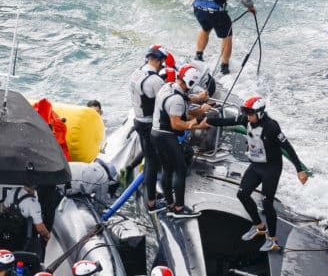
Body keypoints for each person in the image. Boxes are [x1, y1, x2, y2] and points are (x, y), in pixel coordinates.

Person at [208, 96, 309, 252]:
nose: (248, 116)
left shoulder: (271, 127)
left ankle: (273, 239)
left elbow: (288, 148)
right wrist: (204, 120)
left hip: (271, 168)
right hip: (256, 166)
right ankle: (259, 226)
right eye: (246, 113)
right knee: (242, 194)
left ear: (260, 113)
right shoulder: (246, 120)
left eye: (251, 113)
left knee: (267, 203)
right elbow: (225, 121)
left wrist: (299, 170)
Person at [151, 64, 211, 218]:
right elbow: (176, 124)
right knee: (180, 170)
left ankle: (170, 204)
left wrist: (199, 99)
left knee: (167, 169)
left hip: (156, 133)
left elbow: (184, 103)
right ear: (189, 81)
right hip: (167, 136)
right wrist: (198, 124)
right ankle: (179, 208)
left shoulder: (170, 86)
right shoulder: (177, 99)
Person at [128, 45, 168, 211]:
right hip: (149, 124)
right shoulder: (156, 80)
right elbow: (165, 103)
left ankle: (147, 191)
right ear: (159, 60)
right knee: (152, 162)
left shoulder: (136, 73)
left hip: (138, 120)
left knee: (148, 155)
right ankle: (152, 202)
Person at [1, 185, 50, 261]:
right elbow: (40, 228)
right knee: (37, 255)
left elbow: (4, 208)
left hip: (11, 234)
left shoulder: (14, 191)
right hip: (26, 238)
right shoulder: (33, 203)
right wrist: (47, 235)